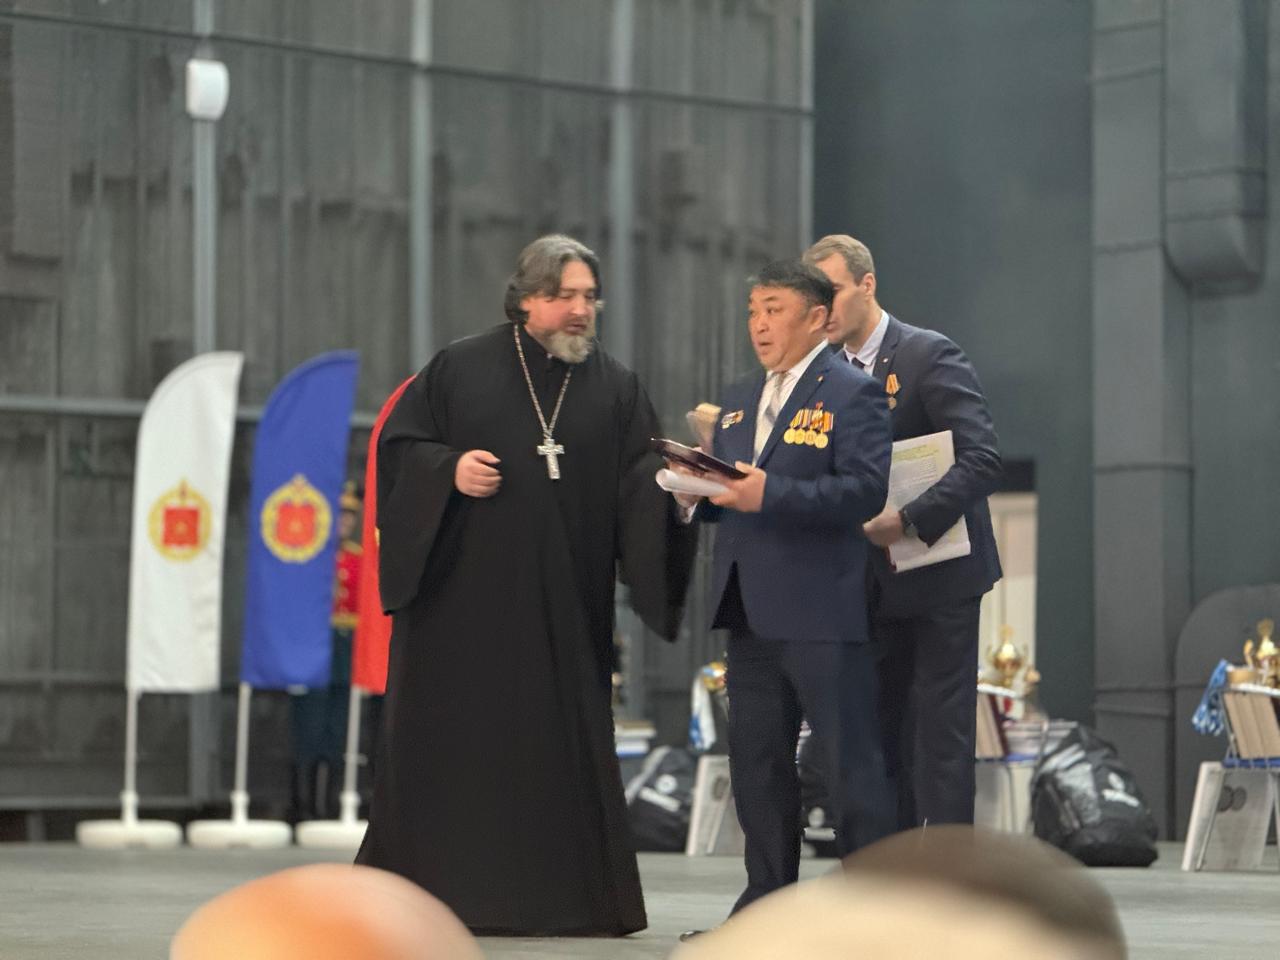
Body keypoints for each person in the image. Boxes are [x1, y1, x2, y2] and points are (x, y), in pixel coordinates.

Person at [355, 234, 697, 936]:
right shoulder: (460, 367)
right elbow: (400, 450)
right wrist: (448, 471)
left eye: (589, 297)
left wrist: (679, 489)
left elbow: (641, 483)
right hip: (460, 611)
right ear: (527, 299)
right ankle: (438, 897)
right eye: (564, 296)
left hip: (562, 610)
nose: (580, 310)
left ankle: (563, 902)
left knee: (554, 757)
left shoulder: (616, 387)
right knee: (459, 751)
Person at [673, 259, 896, 925]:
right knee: (758, 766)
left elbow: (864, 491)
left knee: (848, 767)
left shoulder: (852, 393)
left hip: (823, 609)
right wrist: (694, 493)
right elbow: (736, 496)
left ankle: (875, 916)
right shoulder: (739, 398)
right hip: (749, 608)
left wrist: (771, 492)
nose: (759, 325)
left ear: (817, 318)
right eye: (753, 311)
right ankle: (765, 908)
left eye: (773, 309)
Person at [805, 234, 1003, 829]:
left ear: (867, 285)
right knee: (877, 738)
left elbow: (982, 458)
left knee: (940, 741)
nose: (823, 308)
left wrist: (910, 519)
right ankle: (890, 871)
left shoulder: (927, 355)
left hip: (940, 580)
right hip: (868, 587)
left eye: (832, 291)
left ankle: (944, 874)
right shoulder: (822, 378)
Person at [289, 480, 362, 822]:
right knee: (308, 730)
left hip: (345, 651)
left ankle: (328, 806)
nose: (344, 521)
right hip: (312, 650)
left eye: (349, 515)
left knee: (336, 731)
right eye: (339, 514)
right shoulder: (309, 557)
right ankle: (301, 805)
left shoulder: (359, 559)